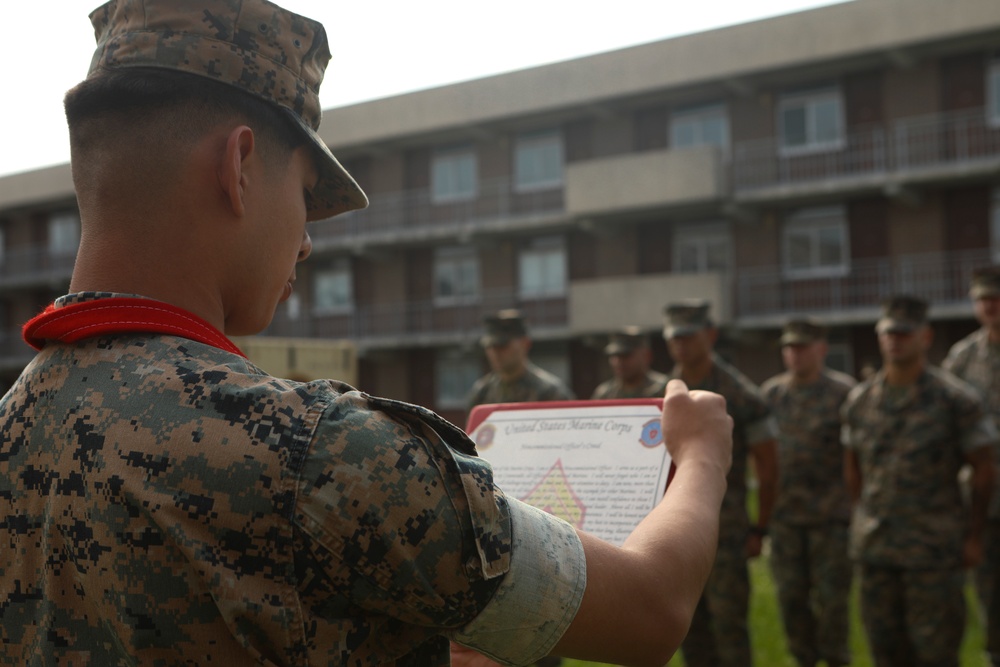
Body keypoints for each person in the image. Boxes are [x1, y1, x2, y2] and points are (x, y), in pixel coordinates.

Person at [0, 1, 734, 665]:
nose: (307, 242)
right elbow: (650, 609)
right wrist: (699, 452)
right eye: (307, 196)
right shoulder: (317, 451)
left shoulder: (13, 427)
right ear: (241, 166)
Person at [843, 295, 996, 667]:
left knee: (936, 654)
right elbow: (853, 467)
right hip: (877, 551)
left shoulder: (955, 400)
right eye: (889, 333)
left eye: (905, 334)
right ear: (880, 337)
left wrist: (973, 535)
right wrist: (864, 517)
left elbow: (985, 469)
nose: (896, 341)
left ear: (925, 337)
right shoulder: (860, 401)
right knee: (886, 653)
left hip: (933, 552)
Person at [663, 299, 779, 667]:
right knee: (687, 631)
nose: (681, 345)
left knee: (729, 632)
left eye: (689, 336)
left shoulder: (738, 393)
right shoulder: (662, 393)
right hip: (676, 533)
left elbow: (768, 465)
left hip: (723, 533)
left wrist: (760, 527)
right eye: (674, 338)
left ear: (710, 335)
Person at [761, 320, 855, 667]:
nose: (795, 354)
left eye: (802, 347)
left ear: (821, 349)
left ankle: (836, 659)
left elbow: (855, 457)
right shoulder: (772, 394)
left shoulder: (844, 393)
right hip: (786, 518)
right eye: (789, 347)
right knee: (791, 599)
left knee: (832, 603)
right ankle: (804, 659)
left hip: (831, 517)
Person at [942, 267, 1000, 667]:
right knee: (990, 587)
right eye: (982, 299)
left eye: (995, 298)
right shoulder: (963, 358)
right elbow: (943, 421)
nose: (990, 306)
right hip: (986, 496)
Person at [467, 309, 574, 410]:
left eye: (502, 345)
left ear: (525, 343)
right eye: (490, 346)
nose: (495, 353)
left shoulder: (549, 392)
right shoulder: (481, 393)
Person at [591, 326, 668, 400]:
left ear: (646, 356)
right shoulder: (605, 395)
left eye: (625, 355)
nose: (618, 362)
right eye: (615, 356)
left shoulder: (662, 389)